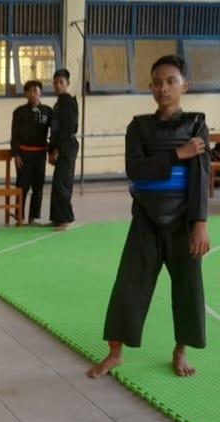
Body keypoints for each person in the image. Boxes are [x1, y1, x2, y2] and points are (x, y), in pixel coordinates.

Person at [87, 55, 210, 379]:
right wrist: (176, 155)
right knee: (130, 283)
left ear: (186, 85)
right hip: (146, 216)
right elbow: (135, 170)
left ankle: (180, 351)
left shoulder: (196, 123)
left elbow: (200, 175)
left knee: (187, 287)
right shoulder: (139, 126)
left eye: (171, 81)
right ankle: (115, 353)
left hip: (184, 220)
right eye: (157, 82)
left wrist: (200, 223)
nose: (163, 88)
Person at [11, 81, 52, 224]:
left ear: (41, 93)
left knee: (38, 187)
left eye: (36, 90)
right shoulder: (19, 112)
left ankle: (33, 217)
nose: (34, 94)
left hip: (40, 155)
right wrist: (16, 154)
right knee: (22, 186)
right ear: (26, 94)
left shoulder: (47, 111)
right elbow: (14, 135)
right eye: (31, 91)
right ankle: (19, 217)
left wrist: (53, 152)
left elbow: (54, 133)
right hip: (23, 155)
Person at [48, 69, 79, 231]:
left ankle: (68, 218)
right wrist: (51, 150)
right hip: (58, 147)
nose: (57, 85)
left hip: (67, 147)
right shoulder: (58, 104)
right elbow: (54, 129)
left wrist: (58, 150)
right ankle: (57, 218)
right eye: (55, 82)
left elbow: (67, 128)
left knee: (63, 184)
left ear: (67, 84)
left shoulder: (69, 102)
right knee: (56, 184)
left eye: (61, 82)